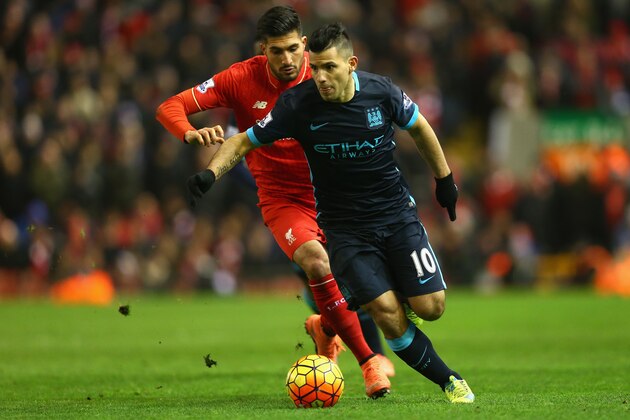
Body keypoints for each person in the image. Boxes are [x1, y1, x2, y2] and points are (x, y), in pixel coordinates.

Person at [186, 22, 475, 403]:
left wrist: (445, 181)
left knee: (432, 307)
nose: (320, 77)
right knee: (387, 314)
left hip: (396, 216)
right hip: (345, 229)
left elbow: (420, 128)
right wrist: (211, 173)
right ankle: (450, 381)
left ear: (351, 64)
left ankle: (360, 304)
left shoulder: (381, 92)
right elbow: (243, 140)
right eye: (316, 67)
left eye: (330, 68)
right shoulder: (298, 105)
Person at [156, 6, 391, 399]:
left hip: (335, 194)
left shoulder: (323, 75)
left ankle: (325, 328)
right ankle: (369, 363)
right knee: (316, 262)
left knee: (361, 285)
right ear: (262, 49)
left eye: (292, 50)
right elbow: (169, 107)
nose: (287, 60)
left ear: (303, 44)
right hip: (283, 198)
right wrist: (188, 134)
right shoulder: (239, 78)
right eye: (276, 51)